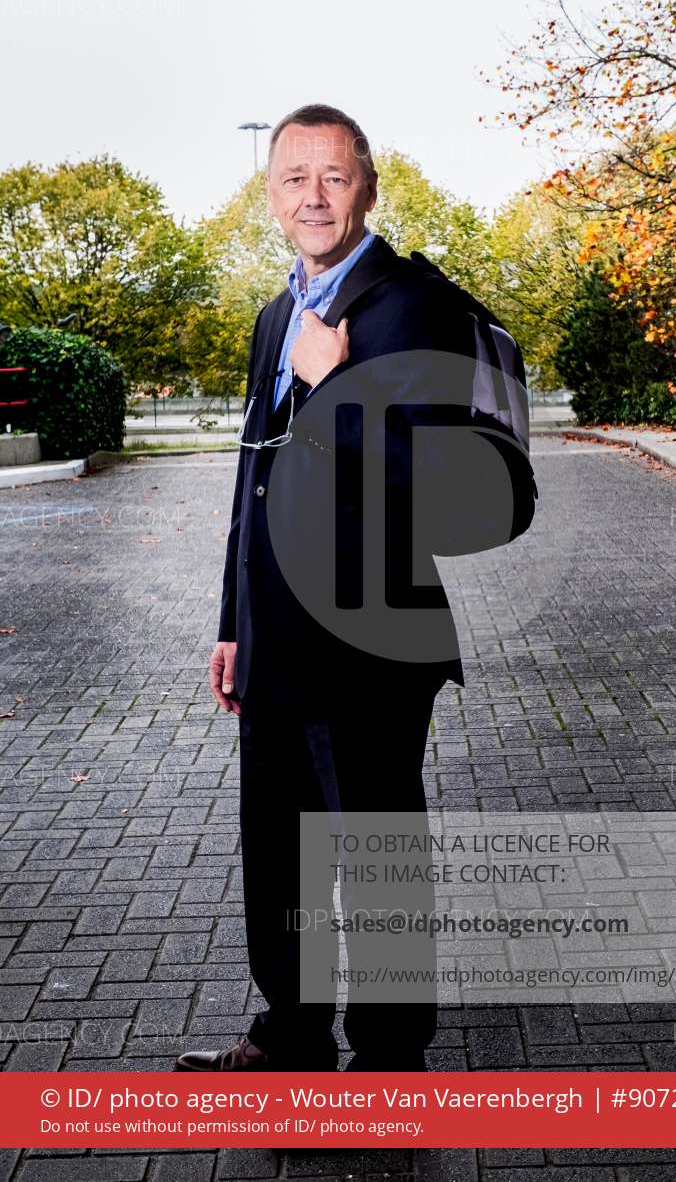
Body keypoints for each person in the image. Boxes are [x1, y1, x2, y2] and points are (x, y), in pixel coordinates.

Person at [176, 103, 478, 1074]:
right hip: (275, 635)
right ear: (268, 194)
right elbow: (253, 475)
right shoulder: (277, 313)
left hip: (369, 639)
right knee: (280, 848)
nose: (313, 196)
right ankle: (291, 1033)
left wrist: (336, 386)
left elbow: (438, 481)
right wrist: (232, 621)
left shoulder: (414, 304)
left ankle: (389, 1056)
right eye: (293, 178)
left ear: (368, 190)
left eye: (334, 177)